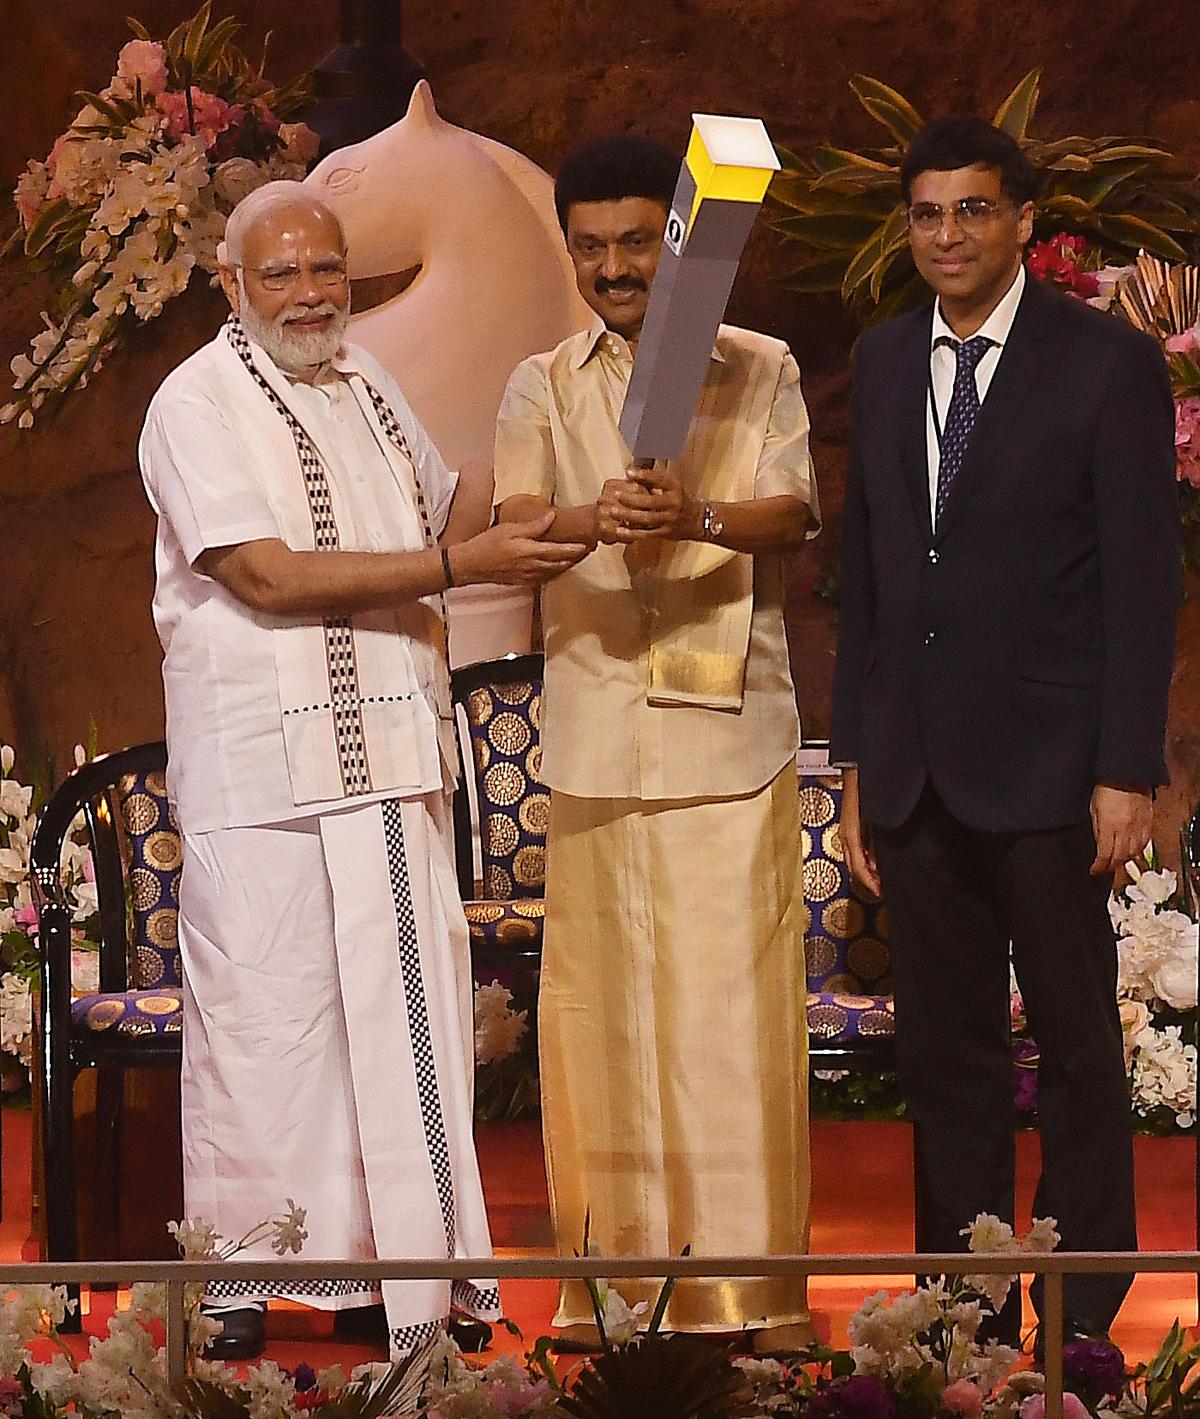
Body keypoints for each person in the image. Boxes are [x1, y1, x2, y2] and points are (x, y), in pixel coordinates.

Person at [138, 180, 587, 1362]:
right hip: (263, 774)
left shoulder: (370, 383)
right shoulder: (196, 401)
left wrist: (564, 439)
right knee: (265, 1025)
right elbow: (269, 577)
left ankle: (420, 1287)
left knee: (403, 1027)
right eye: (278, 273)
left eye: (325, 269)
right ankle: (240, 1283)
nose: (307, 293)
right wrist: (451, 562)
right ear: (232, 284)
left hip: (387, 753)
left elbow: (456, 505)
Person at [830, 117, 1180, 1345]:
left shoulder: (1101, 364)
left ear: (1025, 222)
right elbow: (864, 576)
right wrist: (856, 760)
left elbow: (1144, 583)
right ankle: (961, 1321)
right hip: (917, 774)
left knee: (1080, 1057)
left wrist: (1127, 769)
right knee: (947, 1060)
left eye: (974, 211)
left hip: (1053, 775)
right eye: (927, 214)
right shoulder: (879, 362)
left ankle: (1081, 1323)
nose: (948, 236)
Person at [493, 135, 820, 1350]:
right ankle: (612, 1294)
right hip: (590, 730)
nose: (614, 266)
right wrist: (597, 518)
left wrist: (700, 514)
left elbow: (795, 510)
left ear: (676, 244)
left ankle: (752, 1301)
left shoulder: (760, 365)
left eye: (638, 241)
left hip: (730, 740)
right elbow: (518, 520)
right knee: (599, 1022)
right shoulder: (539, 382)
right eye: (592, 246)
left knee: (729, 1022)